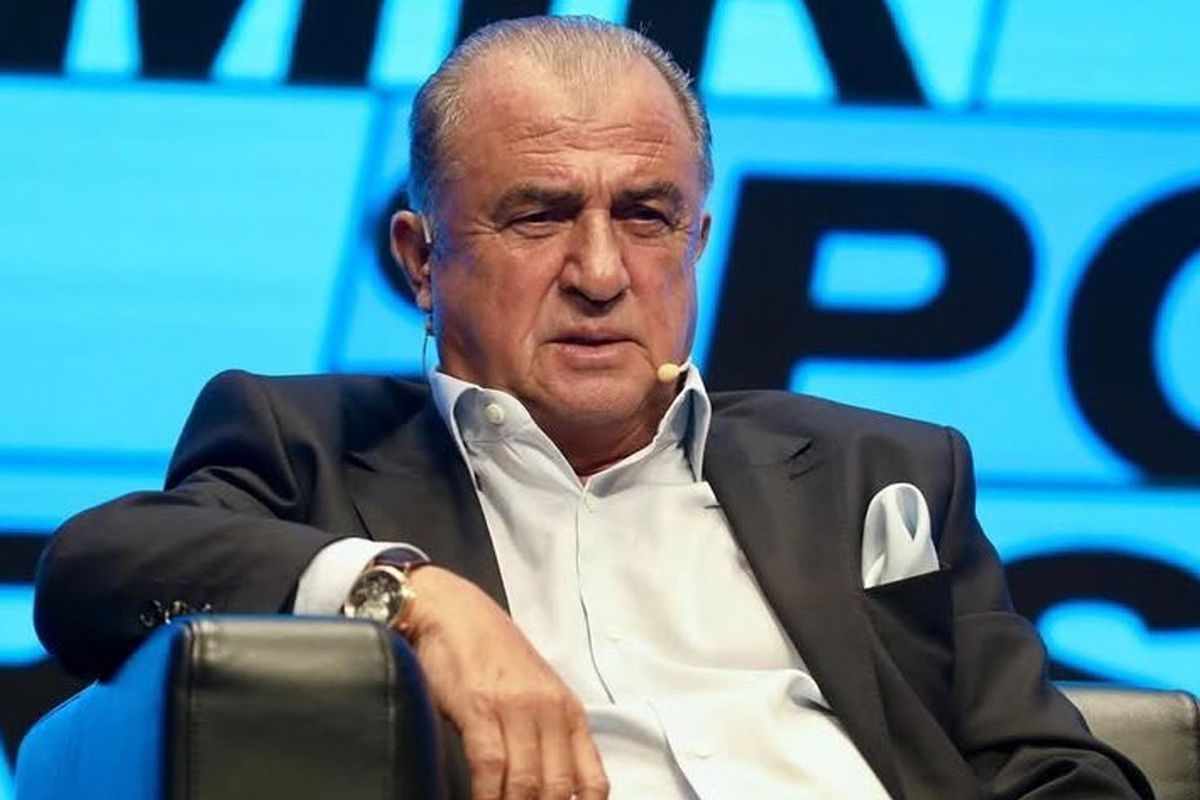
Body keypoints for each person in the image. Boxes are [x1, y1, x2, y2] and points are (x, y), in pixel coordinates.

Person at [35, 15, 1151, 800]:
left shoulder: (879, 471)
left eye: (648, 216)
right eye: (539, 215)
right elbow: (97, 567)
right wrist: (413, 597)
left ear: (699, 240)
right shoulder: (310, 445)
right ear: (421, 258)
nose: (603, 273)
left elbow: (1052, 765)